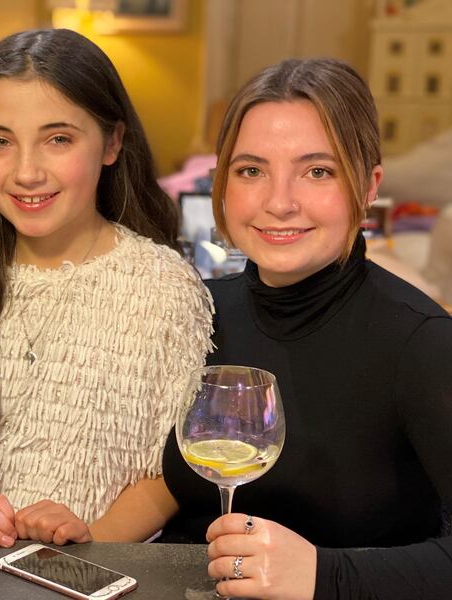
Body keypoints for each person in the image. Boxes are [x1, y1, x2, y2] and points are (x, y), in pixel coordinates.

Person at [161, 58, 452, 599]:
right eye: (251, 170)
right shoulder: (196, 312)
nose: (279, 202)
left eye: (318, 170)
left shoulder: (423, 341)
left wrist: (323, 575)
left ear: (368, 186)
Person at [0, 28, 213, 549]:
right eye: (0, 141)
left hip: (106, 566)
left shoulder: (162, 286)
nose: (27, 172)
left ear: (112, 142)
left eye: (58, 139)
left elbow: (175, 465)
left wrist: (90, 539)